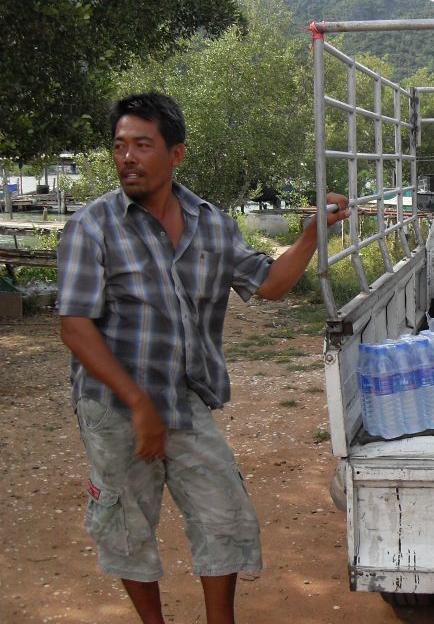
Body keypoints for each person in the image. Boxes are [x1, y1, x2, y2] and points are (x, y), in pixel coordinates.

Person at [55, 92, 349, 624]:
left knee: (224, 515)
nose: (127, 157)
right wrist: (136, 403)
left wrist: (312, 236)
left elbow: (270, 285)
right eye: (120, 146)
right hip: (114, 404)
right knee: (127, 525)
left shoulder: (211, 224)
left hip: (184, 397)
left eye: (143, 145)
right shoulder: (92, 226)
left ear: (176, 154)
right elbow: (75, 326)